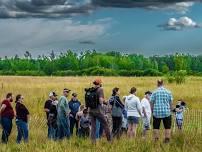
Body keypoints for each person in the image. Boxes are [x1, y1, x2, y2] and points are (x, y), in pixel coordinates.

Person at [87, 78, 111, 144]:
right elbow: (100, 101)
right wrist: (105, 102)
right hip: (98, 111)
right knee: (106, 125)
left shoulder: (91, 90)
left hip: (91, 111)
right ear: (100, 83)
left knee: (93, 127)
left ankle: (93, 142)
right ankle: (109, 141)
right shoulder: (100, 89)